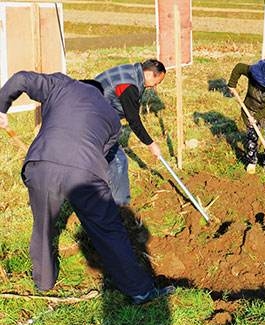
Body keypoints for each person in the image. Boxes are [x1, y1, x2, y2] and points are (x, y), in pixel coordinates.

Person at [0, 71, 173, 304]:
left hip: (41, 165)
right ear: (101, 95)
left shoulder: (61, 85)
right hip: (85, 173)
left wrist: (2, 108)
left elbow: (21, 78)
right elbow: (104, 156)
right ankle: (140, 291)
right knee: (109, 231)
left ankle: (43, 282)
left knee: (43, 225)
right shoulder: (112, 119)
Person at [94, 59, 166, 206]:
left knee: (103, 158)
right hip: (92, 119)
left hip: (94, 112)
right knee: (118, 160)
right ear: (150, 74)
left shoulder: (132, 71)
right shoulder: (129, 86)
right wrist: (150, 144)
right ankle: (121, 206)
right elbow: (133, 119)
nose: (155, 87)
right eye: (157, 82)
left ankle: (104, 193)